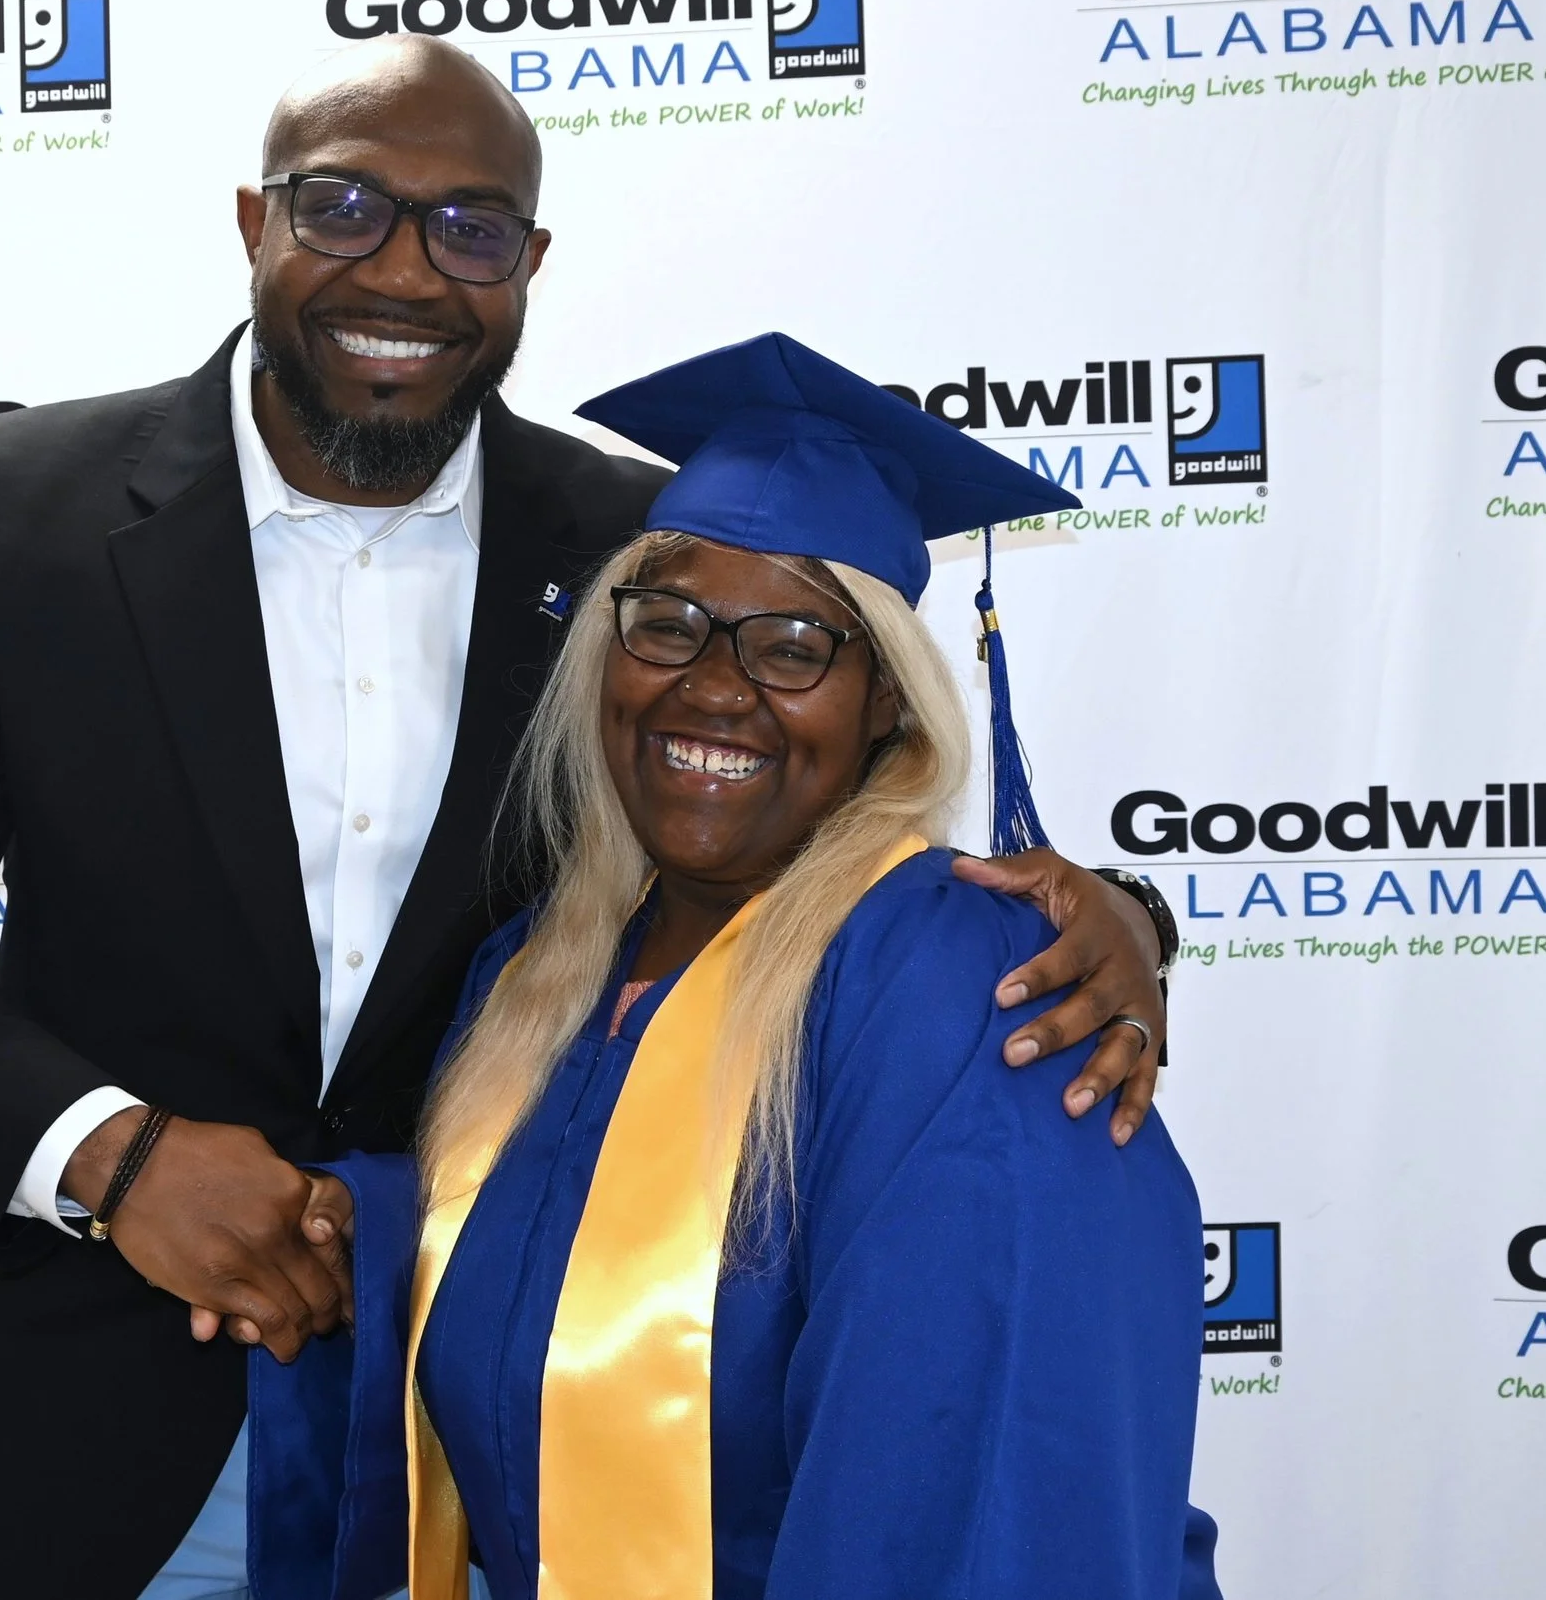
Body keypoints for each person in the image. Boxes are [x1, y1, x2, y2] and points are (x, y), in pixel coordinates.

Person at [0, 37, 1179, 1600]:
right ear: (254, 222)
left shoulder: (639, 547)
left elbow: (790, 831)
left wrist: (1106, 920)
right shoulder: (6, 511)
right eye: (344, 206)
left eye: (470, 227)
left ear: (531, 262)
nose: (407, 270)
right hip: (95, 1426)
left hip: (503, 1454)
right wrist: (112, 1154)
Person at [258, 334, 1217, 1600]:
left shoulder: (964, 987)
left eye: (794, 647)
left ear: (888, 701)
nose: (714, 688)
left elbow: (977, 1474)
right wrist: (348, 1226)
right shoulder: (540, 975)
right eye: (671, 625)